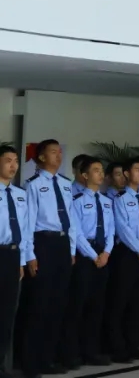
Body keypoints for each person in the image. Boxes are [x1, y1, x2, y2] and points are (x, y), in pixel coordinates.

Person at [21, 139, 80, 378]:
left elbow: (71, 219)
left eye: (60, 152)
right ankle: (30, 362)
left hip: (62, 244)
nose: (58, 155)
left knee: (58, 303)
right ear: (42, 157)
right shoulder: (33, 185)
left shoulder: (66, 184)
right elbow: (28, 222)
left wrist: (72, 249)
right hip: (42, 243)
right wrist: (30, 254)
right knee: (39, 304)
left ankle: (48, 358)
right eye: (53, 152)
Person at [63, 156, 113, 368]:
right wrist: (94, 256)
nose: (100, 174)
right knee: (78, 306)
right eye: (95, 170)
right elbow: (76, 232)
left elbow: (111, 231)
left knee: (97, 306)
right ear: (84, 175)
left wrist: (106, 253)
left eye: (102, 170)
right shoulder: (77, 201)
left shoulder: (107, 202)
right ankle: (71, 353)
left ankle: (91, 351)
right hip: (86, 256)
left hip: (103, 255)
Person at [109, 157, 139, 363]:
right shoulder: (119, 199)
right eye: (137, 169)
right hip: (127, 254)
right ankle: (118, 348)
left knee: (138, 303)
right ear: (127, 174)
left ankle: (133, 344)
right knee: (121, 301)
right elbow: (123, 228)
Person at [0, 145, 30, 378]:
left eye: (16, 161)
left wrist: (22, 260)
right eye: (8, 160)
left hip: (12, 256)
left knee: (7, 313)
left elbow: (25, 229)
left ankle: (2, 365)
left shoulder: (20, 194)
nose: (13, 165)